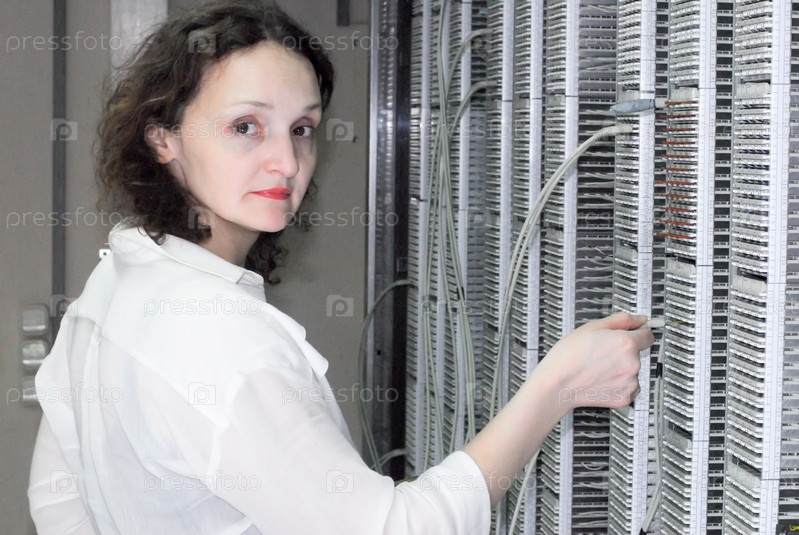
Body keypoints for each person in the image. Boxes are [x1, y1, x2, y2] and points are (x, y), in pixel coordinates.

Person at [27, 1, 655, 533]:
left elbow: (55, 500)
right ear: (162, 137)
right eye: (246, 126)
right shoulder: (220, 342)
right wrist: (558, 387)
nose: (286, 161)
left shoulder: (116, 282)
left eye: (302, 128)